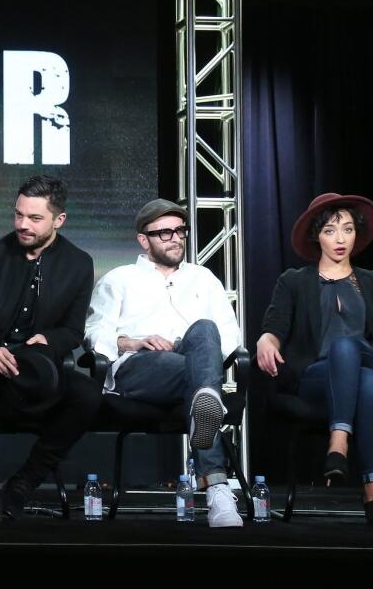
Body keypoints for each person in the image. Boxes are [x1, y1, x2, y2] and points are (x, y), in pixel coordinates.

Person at [256, 193, 373, 525]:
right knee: (349, 359)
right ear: (316, 236)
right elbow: (273, 329)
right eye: (330, 230)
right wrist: (264, 341)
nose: (341, 239)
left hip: (372, 366)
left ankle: (338, 442)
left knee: (352, 353)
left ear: (357, 232)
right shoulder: (295, 281)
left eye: (348, 229)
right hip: (318, 379)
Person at [0, 175, 101, 522]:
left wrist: (50, 341)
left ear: (59, 220)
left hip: (35, 373)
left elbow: (73, 330)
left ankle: (23, 485)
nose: (23, 225)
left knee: (87, 393)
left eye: (34, 218)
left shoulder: (78, 264)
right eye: (18, 215)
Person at [86, 198, 244, 527]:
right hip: (139, 366)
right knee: (201, 380)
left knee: (205, 330)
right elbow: (94, 332)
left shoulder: (204, 279)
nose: (175, 238)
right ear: (143, 239)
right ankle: (217, 484)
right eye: (165, 233)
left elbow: (229, 337)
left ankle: (206, 408)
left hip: (189, 364)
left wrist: (188, 352)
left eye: (180, 231)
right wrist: (131, 341)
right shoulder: (120, 279)